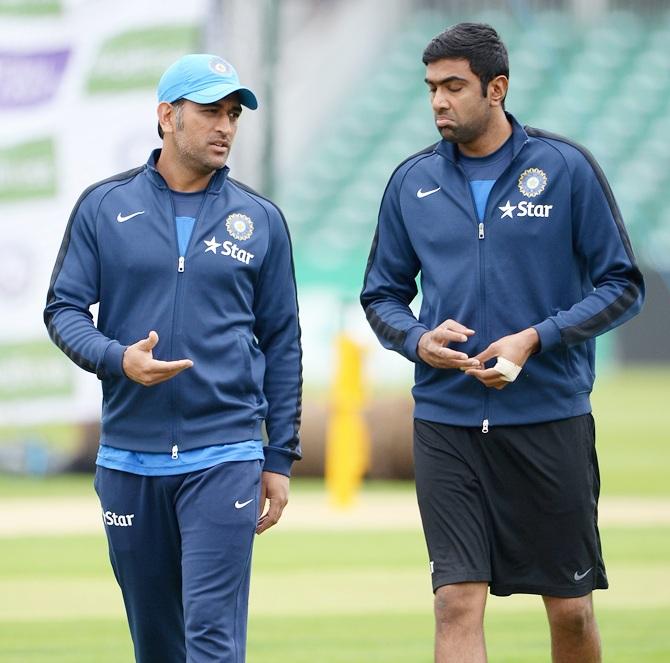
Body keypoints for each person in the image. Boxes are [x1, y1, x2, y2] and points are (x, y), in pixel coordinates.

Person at [360, 22, 644, 663]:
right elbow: (380, 295)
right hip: (445, 422)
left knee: (570, 611)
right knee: (455, 601)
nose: (438, 101)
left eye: (453, 86)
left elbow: (622, 285)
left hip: (548, 418)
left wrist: (534, 340)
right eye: (431, 87)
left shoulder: (565, 168)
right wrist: (417, 340)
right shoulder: (411, 182)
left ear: (497, 88)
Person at [44, 53, 302, 663]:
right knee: (157, 645)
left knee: (211, 639)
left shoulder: (261, 219)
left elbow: (283, 343)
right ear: (167, 116)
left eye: (233, 114)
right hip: (130, 459)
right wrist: (117, 359)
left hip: (226, 453)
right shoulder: (104, 207)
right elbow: (63, 310)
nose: (225, 126)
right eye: (210, 110)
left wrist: (280, 455)